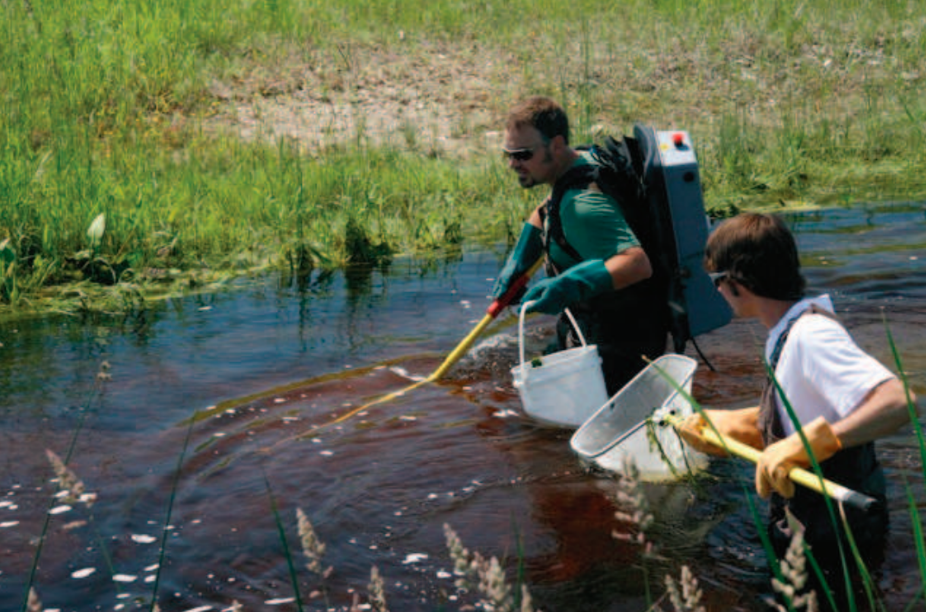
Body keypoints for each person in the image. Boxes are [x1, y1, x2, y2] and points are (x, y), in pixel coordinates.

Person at [678, 212, 915, 610]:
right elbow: (796, 411)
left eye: (717, 283)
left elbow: (898, 402)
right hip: (811, 524)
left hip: (839, 532)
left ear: (735, 284)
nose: (718, 293)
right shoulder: (785, 333)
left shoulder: (811, 336)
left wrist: (817, 442)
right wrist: (728, 425)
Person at [492, 96, 668, 395]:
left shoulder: (582, 205)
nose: (513, 164)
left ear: (556, 145)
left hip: (618, 351)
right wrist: (520, 259)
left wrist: (569, 285)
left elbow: (636, 263)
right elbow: (551, 205)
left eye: (523, 154)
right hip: (611, 329)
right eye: (508, 154)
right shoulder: (581, 161)